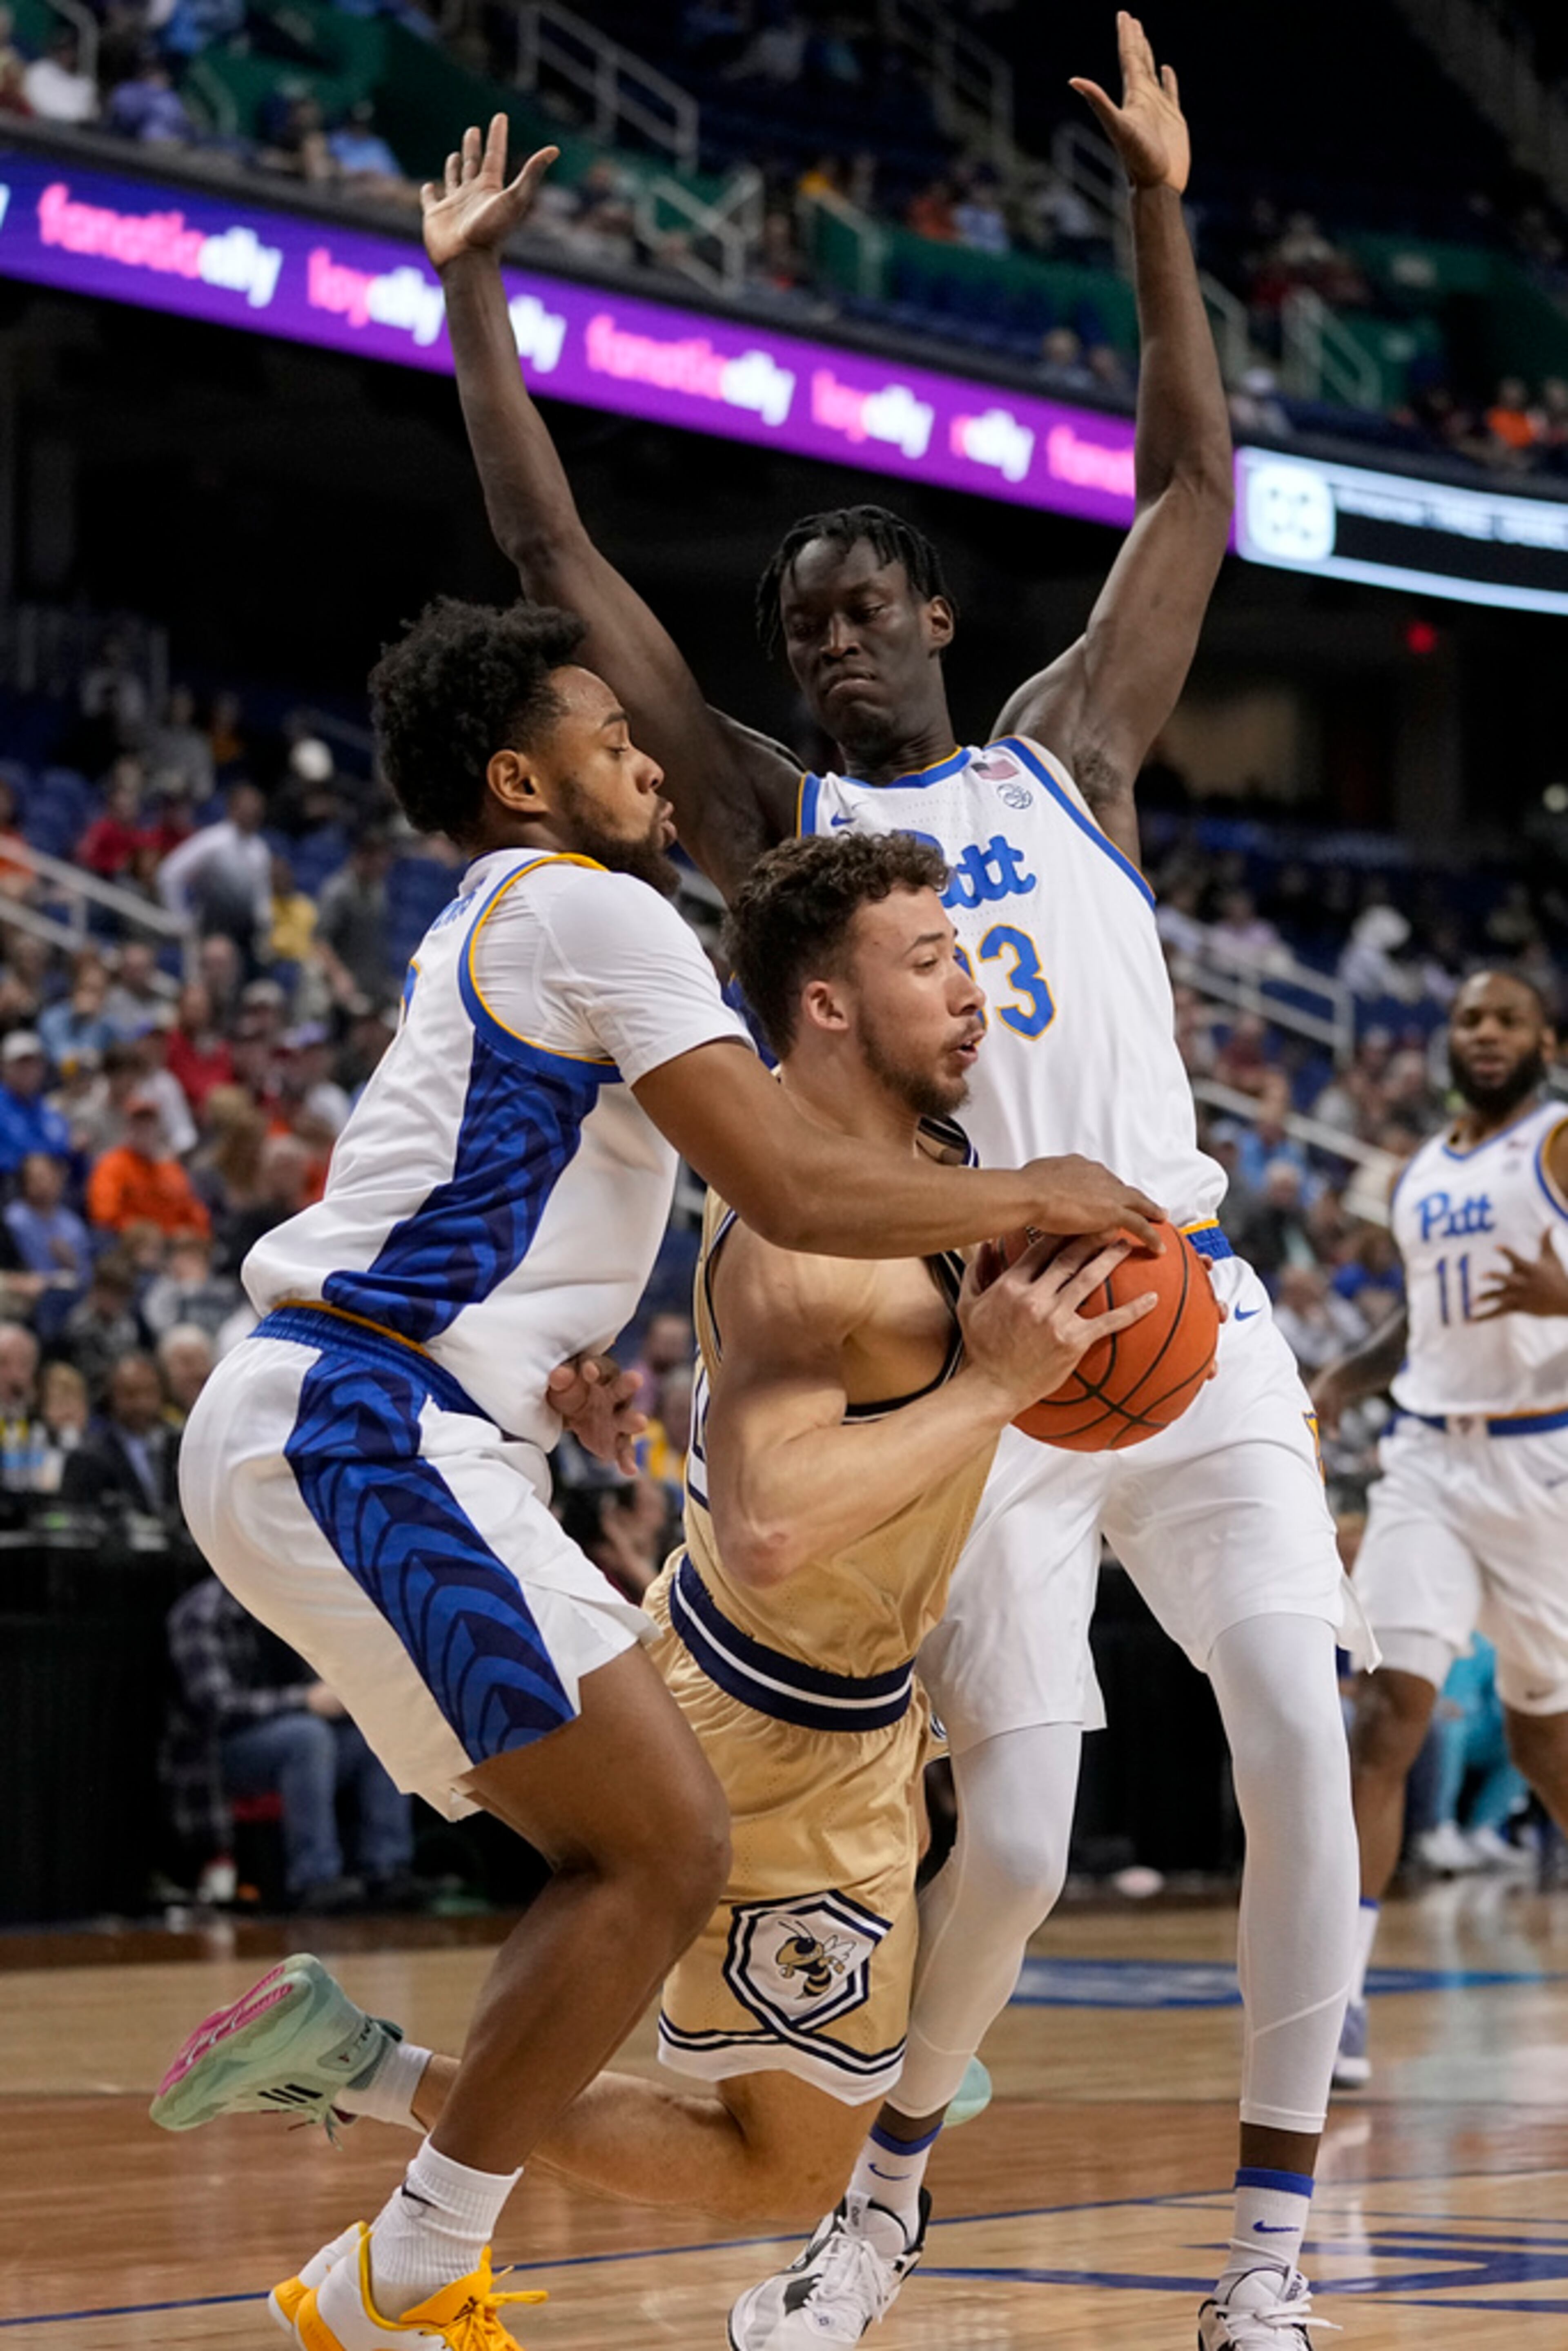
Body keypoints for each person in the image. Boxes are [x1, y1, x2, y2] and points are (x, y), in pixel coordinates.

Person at [423, 24, 1359, 2345]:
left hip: (1184, 1306)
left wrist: (1155, 202)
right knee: (1023, 1833)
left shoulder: (1072, 752)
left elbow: (1192, 486)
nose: (820, 638)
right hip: (984, 1359)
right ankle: (880, 2199)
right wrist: (468, 307)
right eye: (796, 624)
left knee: (1292, 1732)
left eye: (857, 607)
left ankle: (1264, 2248)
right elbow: (555, 556)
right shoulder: (774, 835)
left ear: (938, 618)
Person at [165, 597, 1156, 2351]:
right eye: (602, 727)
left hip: (394, 1426)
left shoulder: (515, 925)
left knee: (635, 1873)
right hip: (368, 1420)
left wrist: (570, 1373)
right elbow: (791, 1190)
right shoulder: (590, 902)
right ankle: (412, 2258)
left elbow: (575, 1173)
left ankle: (402, 2116)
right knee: (659, 1844)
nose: (644, 748)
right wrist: (1038, 1187)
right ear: (516, 772)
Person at [1312, 969, 1568, 2089]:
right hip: (1426, 1455)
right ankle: (1342, 2000)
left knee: (1544, 1740)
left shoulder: (1559, 1139)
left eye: (1508, 1017)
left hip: (1544, 1460)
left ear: (1545, 1037)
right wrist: (1340, 1377)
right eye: (1469, 1017)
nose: (1488, 1032)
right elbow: (1427, 1314)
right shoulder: (1420, 1172)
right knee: (1387, 1716)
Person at [164, 1574, 416, 1913]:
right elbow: (218, 1708)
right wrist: (305, 1699)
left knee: (375, 1736)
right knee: (307, 1736)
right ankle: (315, 1879)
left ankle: (388, 1868)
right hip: (215, 1756)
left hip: (298, 1737)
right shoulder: (202, 1613)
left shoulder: (290, 1603)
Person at [61, 1349, 183, 1526]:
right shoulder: (88, 1456)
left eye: (149, 1392)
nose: (141, 1403)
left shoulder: (179, 1447)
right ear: (111, 1397)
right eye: (130, 1394)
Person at [85, 1097, 211, 1237]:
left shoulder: (170, 1168)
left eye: (150, 1125)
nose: (145, 1131)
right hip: (129, 1243)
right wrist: (140, 1231)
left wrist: (197, 1236)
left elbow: (191, 1210)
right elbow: (103, 1215)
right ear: (128, 1129)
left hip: (171, 1243)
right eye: (139, 1125)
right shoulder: (112, 1165)